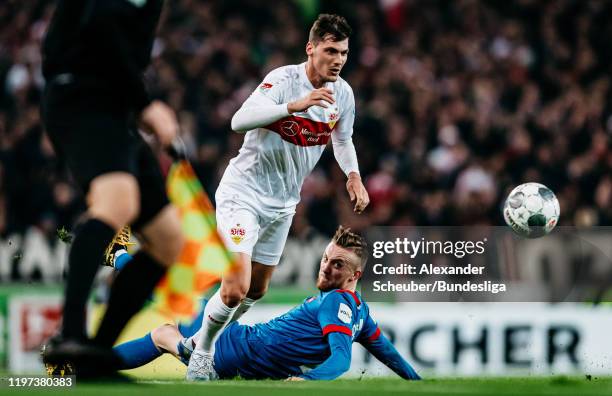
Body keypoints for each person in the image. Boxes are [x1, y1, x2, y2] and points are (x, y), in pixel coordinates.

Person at [189, 13, 370, 380]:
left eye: (344, 53)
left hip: (284, 203)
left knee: (256, 290)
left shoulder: (343, 94)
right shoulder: (282, 80)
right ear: (311, 48)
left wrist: (353, 175)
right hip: (244, 194)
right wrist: (294, 106)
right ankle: (202, 352)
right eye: (331, 50)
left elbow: (342, 138)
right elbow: (238, 121)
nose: (338, 60)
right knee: (236, 287)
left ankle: (200, 337)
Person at [40, 0, 184, 375]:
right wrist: (147, 104)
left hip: (115, 108)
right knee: (116, 203)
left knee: (168, 238)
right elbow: (101, 29)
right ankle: (70, 334)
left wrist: (136, 105)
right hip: (82, 98)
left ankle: (97, 354)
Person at [114, 226, 420, 381]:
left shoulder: (336, 303)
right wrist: (415, 380)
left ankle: (118, 257)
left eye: (338, 265)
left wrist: (307, 380)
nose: (326, 267)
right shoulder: (359, 312)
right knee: (173, 316)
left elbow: (342, 358)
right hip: (238, 341)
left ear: (357, 274)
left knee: (170, 320)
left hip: (229, 351)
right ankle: (118, 258)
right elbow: (387, 351)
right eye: (326, 258)